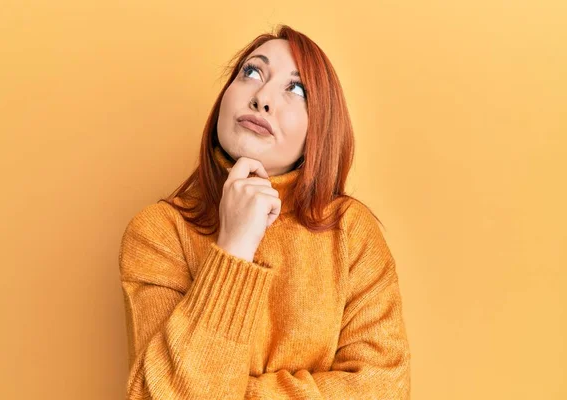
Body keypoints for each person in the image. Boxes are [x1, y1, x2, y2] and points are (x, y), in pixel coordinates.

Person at [118, 24, 411, 399]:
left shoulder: (351, 232)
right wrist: (234, 248)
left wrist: (235, 393)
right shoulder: (159, 232)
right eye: (252, 72)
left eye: (297, 89)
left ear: (319, 129)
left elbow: (384, 389)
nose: (262, 98)